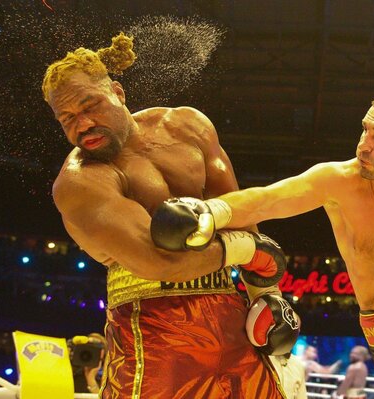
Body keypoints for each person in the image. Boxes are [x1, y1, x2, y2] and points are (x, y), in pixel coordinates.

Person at [151, 92, 374, 399]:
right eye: (365, 128)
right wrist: (210, 211)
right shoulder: (339, 182)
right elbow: (267, 200)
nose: (364, 143)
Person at [42, 33, 299, 398]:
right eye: (67, 118)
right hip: (153, 328)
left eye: (90, 106)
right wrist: (249, 252)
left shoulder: (187, 126)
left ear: (118, 91)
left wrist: (266, 292)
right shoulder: (79, 182)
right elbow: (159, 260)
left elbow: (237, 211)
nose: (82, 125)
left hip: (231, 314)